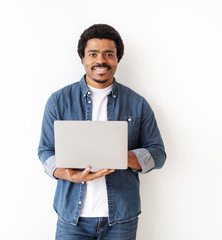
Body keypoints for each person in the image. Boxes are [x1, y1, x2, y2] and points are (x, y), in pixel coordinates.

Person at [38, 24, 166, 240]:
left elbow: (158, 154)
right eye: (93, 54)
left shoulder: (138, 104)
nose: (101, 60)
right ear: (83, 59)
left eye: (109, 54)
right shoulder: (58, 101)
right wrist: (67, 174)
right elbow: (45, 151)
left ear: (117, 59)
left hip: (121, 219)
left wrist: (119, 156)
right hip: (72, 218)